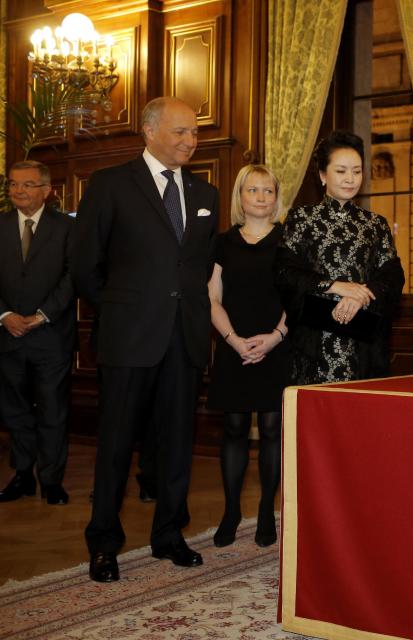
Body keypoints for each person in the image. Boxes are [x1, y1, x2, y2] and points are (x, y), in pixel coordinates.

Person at [72, 96, 219, 583]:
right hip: (129, 337)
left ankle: (169, 535)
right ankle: (104, 543)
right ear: (149, 131)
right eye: (179, 131)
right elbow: (85, 265)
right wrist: (121, 307)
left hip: (184, 338)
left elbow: (196, 268)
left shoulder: (205, 194)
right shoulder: (111, 185)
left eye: (194, 133)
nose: (189, 141)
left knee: (177, 444)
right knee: (116, 445)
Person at [275, 130, 404, 385]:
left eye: (357, 171)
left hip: (363, 341)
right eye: (341, 171)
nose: (350, 179)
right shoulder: (302, 219)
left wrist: (361, 295)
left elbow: (392, 275)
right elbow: (284, 272)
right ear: (323, 175)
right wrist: (334, 286)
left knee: (360, 418)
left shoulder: (375, 224)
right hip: (314, 341)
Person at [207, 164, 289, 548]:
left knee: (273, 431)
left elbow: (299, 298)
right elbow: (212, 297)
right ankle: (231, 511)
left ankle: (266, 512)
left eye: (267, 191)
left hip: (277, 347)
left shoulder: (290, 239)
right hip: (233, 347)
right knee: (235, 430)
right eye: (252, 190)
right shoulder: (222, 242)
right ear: (239, 196)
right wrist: (233, 340)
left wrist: (273, 338)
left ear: (276, 197)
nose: (260, 197)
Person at [0, 160, 74, 505]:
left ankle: (51, 479)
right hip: (8, 334)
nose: (18, 191)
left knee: (52, 409)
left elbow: (74, 277)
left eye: (27, 185)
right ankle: (22, 475)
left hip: (50, 335)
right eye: (13, 184)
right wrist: (4, 314)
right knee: (15, 410)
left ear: (46, 190)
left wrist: (44, 314)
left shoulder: (67, 228)